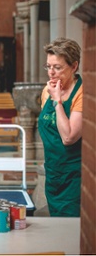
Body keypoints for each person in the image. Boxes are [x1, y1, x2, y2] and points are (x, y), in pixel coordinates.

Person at [37, 37, 83, 217]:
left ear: (74, 66)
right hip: (54, 172)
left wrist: (58, 101)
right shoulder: (46, 92)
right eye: (48, 66)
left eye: (57, 67)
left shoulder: (81, 93)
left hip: (74, 176)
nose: (51, 73)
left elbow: (68, 137)